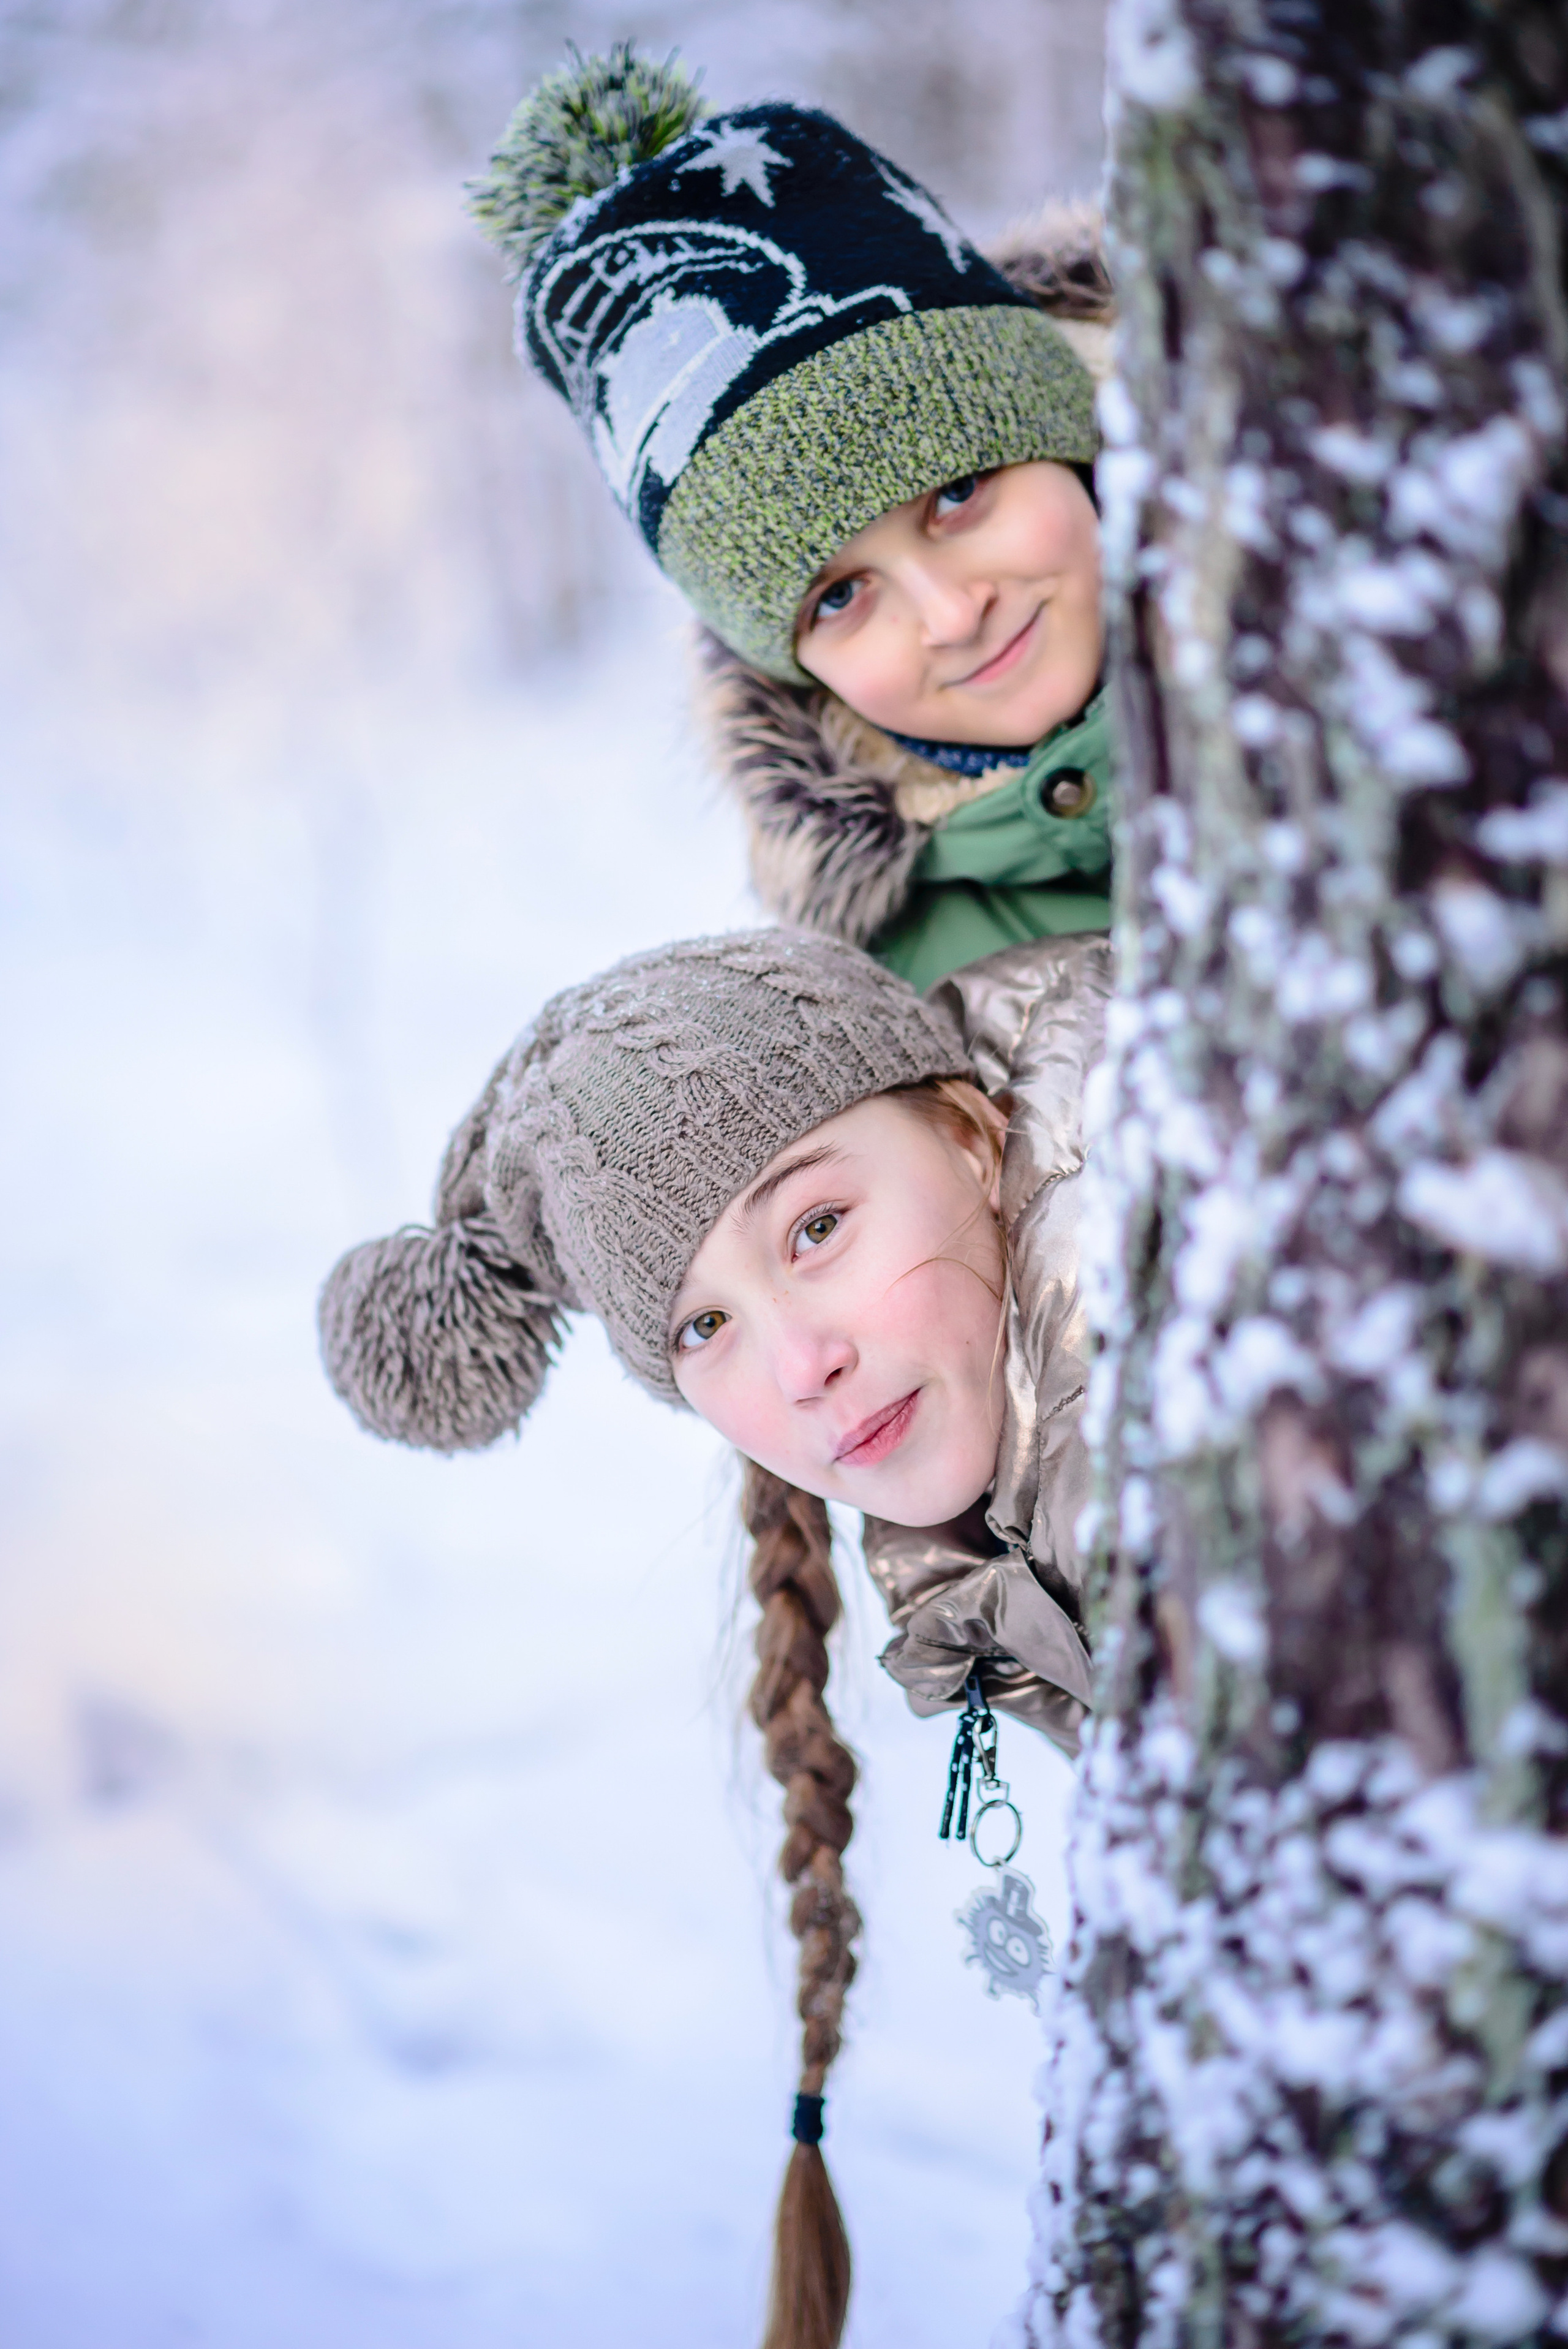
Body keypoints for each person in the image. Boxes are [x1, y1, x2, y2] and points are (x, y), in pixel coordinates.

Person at [318, 925, 1110, 2349]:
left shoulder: (1155, 1375)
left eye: (816, 1227)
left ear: (968, 1132)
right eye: (702, 1328)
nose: (800, 1363)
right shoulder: (1005, 1533)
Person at [469, 48, 1117, 993]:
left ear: (1073, 432)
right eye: (840, 597)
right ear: (787, 661)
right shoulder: (885, 993)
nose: (951, 614)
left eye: (957, 493)